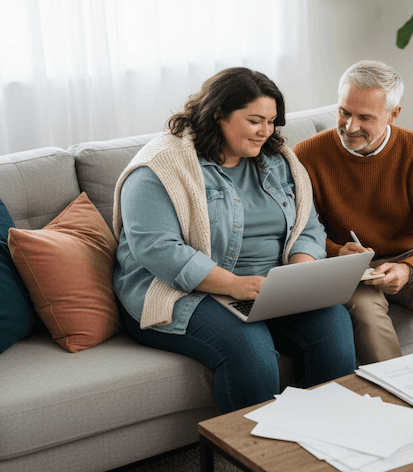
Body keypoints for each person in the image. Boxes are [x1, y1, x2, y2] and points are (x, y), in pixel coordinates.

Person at [112, 67, 356, 413]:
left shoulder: (278, 158)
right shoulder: (160, 167)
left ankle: (329, 441)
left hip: (268, 287)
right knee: (251, 350)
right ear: (218, 113)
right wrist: (233, 285)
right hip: (183, 292)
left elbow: (307, 224)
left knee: (333, 325)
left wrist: (299, 277)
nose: (265, 132)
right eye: (255, 120)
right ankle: (261, 463)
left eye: (272, 121)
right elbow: (159, 250)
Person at [293, 60, 413, 365]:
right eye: (344, 113)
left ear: (393, 114)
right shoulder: (306, 155)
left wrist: (408, 269)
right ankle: (394, 400)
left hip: (408, 256)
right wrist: (338, 252)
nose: (350, 127)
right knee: (365, 313)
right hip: (346, 266)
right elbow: (298, 232)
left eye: (365, 117)